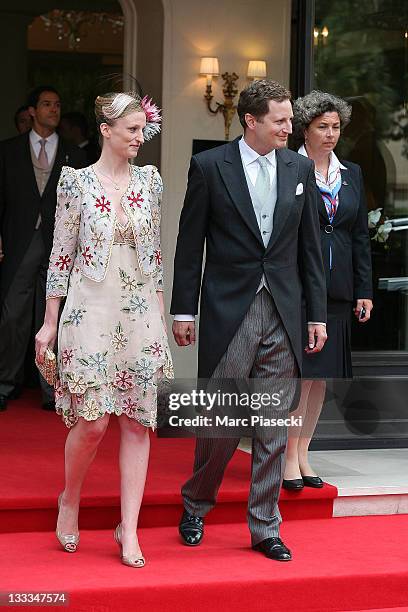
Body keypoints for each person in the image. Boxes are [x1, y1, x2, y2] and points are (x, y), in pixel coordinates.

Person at [171, 79, 327, 561]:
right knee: (219, 421)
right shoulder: (208, 166)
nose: (289, 127)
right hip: (227, 307)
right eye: (281, 120)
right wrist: (183, 308)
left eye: (290, 119)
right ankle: (196, 501)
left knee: (273, 423)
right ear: (251, 121)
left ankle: (265, 526)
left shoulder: (299, 167)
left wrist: (316, 315)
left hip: (284, 307)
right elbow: (189, 242)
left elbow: (310, 250)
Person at [35, 91, 172, 567]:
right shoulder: (75, 183)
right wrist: (49, 324)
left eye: (143, 129)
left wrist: (160, 315)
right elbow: (60, 254)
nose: (140, 137)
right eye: (132, 129)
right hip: (89, 308)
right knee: (91, 422)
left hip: (137, 310)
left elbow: (154, 257)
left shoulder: (151, 182)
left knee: (137, 422)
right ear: (107, 130)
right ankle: (69, 497)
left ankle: (128, 530)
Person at [282, 91, 373, 490]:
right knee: (300, 375)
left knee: (321, 379)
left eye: (336, 127)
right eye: (323, 127)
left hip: (338, 289)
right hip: (300, 285)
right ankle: (286, 456)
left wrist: (363, 289)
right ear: (306, 128)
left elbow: (359, 236)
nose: (331, 134)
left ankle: (304, 452)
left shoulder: (350, 172)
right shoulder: (290, 167)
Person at [0, 86, 86, 412]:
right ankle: (5, 383)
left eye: (57, 104)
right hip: (19, 242)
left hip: (58, 246)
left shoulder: (75, 155)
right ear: (32, 111)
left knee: (54, 317)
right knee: (12, 316)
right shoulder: (8, 151)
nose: (54, 109)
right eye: (47, 104)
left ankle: (52, 390)